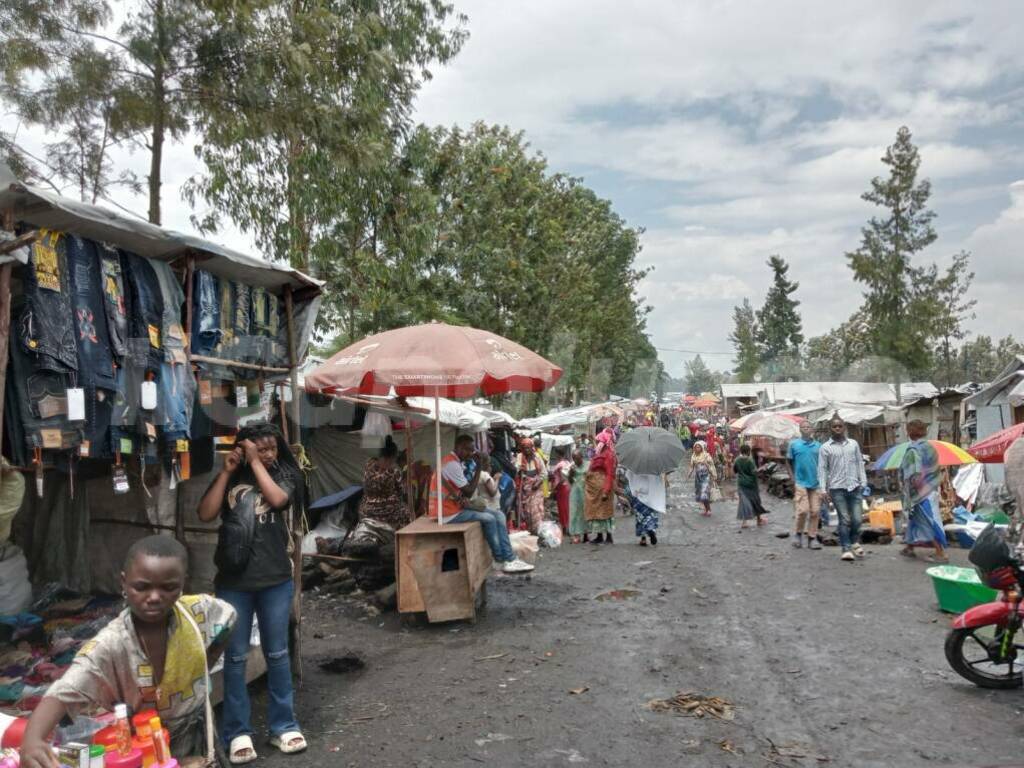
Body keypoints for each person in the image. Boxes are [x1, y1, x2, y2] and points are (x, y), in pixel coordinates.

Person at [19, 537, 236, 768]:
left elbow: (228, 617)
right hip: (142, 745)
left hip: (199, 733)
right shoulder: (111, 643)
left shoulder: (198, 612)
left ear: (183, 582)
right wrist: (32, 740)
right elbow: (66, 689)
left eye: (168, 587)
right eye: (141, 587)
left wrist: (204, 665)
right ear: (124, 582)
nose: (154, 597)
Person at [197, 422, 306, 763]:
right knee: (235, 658)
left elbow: (277, 499)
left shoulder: (287, 473)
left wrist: (257, 461)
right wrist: (226, 471)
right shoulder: (232, 475)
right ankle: (237, 733)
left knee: (276, 654)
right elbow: (205, 513)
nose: (269, 454)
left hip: (275, 580)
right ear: (243, 449)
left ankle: (284, 726)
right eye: (261, 448)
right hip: (234, 584)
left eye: (272, 447)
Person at [429, 434, 534, 573]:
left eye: (473, 451)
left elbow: (462, 490)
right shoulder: (452, 465)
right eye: (469, 450)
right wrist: (479, 468)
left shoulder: (453, 462)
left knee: (499, 514)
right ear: (460, 448)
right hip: (447, 513)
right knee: (490, 518)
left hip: (452, 508)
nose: (471, 454)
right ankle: (500, 560)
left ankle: (509, 558)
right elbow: (468, 491)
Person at [818, 415, 868, 562]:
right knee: (844, 519)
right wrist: (823, 489)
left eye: (840, 426)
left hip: (854, 486)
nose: (838, 429)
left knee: (858, 519)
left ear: (844, 427)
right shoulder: (825, 448)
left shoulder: (853, 444)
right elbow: (822, 469)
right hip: (836, 488)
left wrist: (863, 482)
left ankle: (854, 541)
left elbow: (859, 463)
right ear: (830, 429)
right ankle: (846, 548)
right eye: (834, 426)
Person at [899, 420, 949, 563]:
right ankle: (909, 547)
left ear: (909, 432)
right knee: (914, 519)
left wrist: (907, 487)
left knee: (926, 522)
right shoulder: (930, 448)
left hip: (920, 493)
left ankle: (940, 552)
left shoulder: (912, 451)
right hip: (932, 488)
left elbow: (912, 474)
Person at [356, 435, 410, 530]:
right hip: (386, 513)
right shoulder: (394, 471)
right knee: (407, 512)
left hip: (366, 509)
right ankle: (399, 538)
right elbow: (401, 492)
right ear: (393, 456)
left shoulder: (369, 464)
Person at [787, 422, 823, 550]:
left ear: (812, 429)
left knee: (815, 511)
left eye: (808, 427)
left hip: (816, 483)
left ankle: (812, 538)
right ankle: (798, 534)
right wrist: (792, 478)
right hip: (801, 482)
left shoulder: (819, 446)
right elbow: (788, 461)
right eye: (803, 427)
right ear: (800, 430)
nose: (806, 428)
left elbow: (823, 465)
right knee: (803, 510)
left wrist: (824, 483)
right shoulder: (794, 445)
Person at [584, 428, 617, 544]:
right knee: (597, 512)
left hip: (603, 487)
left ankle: (608, 536)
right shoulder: (599, 453)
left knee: (605, 511)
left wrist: (606, 490)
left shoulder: (608, 455)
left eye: (599, 441)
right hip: (595, 488)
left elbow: (609, 473)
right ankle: (599, 536)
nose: (597, 443)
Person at [625, 468, 666, 546]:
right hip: (651, 494)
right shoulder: (654, 465)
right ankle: (651, 530)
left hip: (639, 493)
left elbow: (628, 476)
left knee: (640, 517)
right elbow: (660, 479)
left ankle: (643, 539)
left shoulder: (634, 464)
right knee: (651, 515)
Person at [516, 438, 548, 533]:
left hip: (536, 487)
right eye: (525, 448)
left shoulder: (537, 457)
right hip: (525, 489)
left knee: (536, 510)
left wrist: (538, 483)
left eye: (528, 448)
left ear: (532, 447)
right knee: (527, 512)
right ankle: (530, 531)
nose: (527, 450)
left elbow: (544, 473)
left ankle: (538, 532)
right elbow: (517, 471)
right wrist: (519, 470)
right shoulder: (520, 457)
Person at [734, 444, 768, 530]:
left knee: (743, 503)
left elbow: (735, 471)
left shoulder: (737, 460)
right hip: (752, 485)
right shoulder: (750, 461)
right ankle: (758, 520)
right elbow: (754, 472)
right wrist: (762, 468)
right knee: (756, 501)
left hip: (741, 484)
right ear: (749, 451)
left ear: (741, 451)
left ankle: (746, 522)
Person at [687, 440, 717, 516]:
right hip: (698, 477)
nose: (697, 448)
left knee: (704, 493)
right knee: (700, 493)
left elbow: (711, 465)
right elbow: (691, 466)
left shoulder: (706, 455)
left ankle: (709, 510)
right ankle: (706, 509)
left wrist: (713, 474)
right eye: (696, 447)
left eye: (698, 447)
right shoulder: (693, 456)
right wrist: (689, 473)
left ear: (702, 448)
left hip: (706, 476)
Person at [567, 450, 589, 544]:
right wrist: (571, 473)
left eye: (577, 458)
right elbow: (570, 481)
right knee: (574, 512)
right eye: (574, 458)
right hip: (575, 491)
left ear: (581, 457)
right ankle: (576, 534)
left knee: (585, 512)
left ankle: (586, 535)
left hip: (586, 491)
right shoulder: (572, 467)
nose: (576, 460)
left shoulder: (588, 465)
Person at [551, 447, 573, 532]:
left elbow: (561, 478)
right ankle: (566, 525)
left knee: (562, 507)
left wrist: (555, 488)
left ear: (558, 455)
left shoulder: (560, 465)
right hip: (567, 487)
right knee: (566, 507)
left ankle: (565, 526)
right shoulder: (567, 463)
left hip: (561, 487)